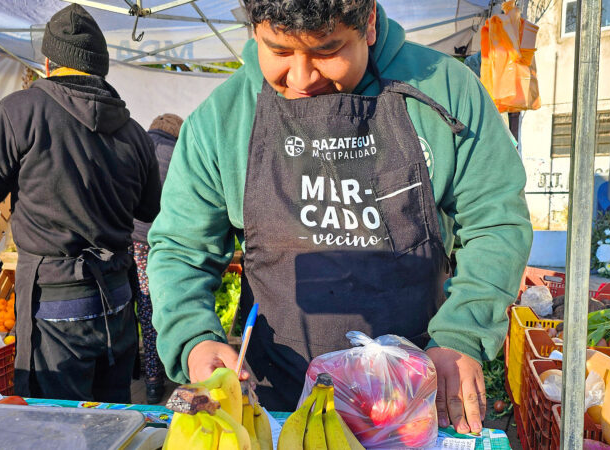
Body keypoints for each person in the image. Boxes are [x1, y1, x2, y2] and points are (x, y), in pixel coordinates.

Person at [148, 0, 532, 434]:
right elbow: (180, 248)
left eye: (327, 52)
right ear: (255, 31)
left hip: (416, 397)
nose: (301, 78)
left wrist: (462, 334)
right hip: (274, 403)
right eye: (278, 50)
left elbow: (495, 221)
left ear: (368, 23)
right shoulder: (222, 119)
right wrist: (194, 339)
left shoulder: (445, 90)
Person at [0, 4, 161, 403]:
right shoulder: (135, 132)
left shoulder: (21, 111)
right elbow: (150, 210)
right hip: (116, 302)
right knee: (110, 423)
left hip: (55, 305)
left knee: (53, 425)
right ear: (99, 69)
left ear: (48, 63)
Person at [131, 113, 183, 404]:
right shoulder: (178, 153)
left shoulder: (136, 146)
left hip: (132, 240)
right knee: (169, 304)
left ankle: (150, 380)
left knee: (143, 305)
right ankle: (174, 369)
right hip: (165, 240)